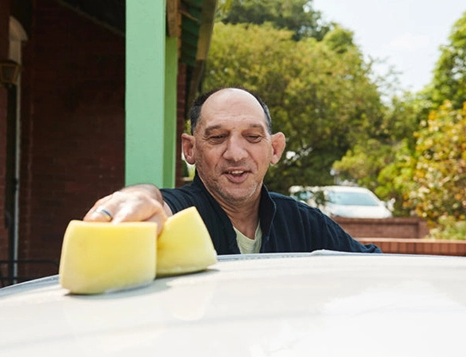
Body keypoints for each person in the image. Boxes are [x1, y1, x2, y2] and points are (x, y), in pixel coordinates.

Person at [84, 87, 380, 254]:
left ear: (274, 149)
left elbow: (371, 267)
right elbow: (158, 206)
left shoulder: (302, 222)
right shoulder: (179, 216)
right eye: (217, 137)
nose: (235, 153)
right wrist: (140, 197)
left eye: (252, 138)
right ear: (190, 149)